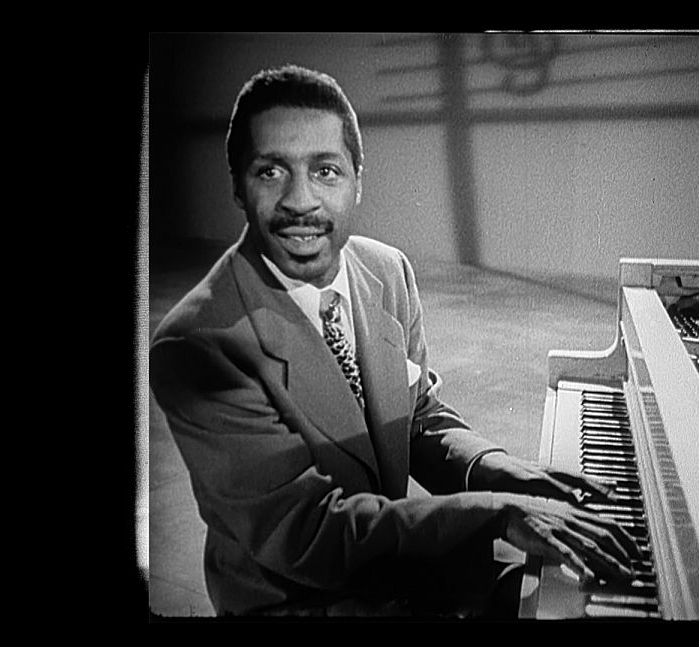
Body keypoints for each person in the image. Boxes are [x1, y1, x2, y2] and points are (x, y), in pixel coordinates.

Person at [150, 64, 640, 618]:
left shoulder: (385, 270)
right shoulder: (196, 346)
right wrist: (495, 512)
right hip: (301, 598)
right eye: (271, 171)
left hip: (395, 559)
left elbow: (419, 416)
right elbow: (311, 533)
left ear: (358, 179)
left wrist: (499, 471)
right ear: (238, 186)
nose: (301, 200)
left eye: (326, 171)